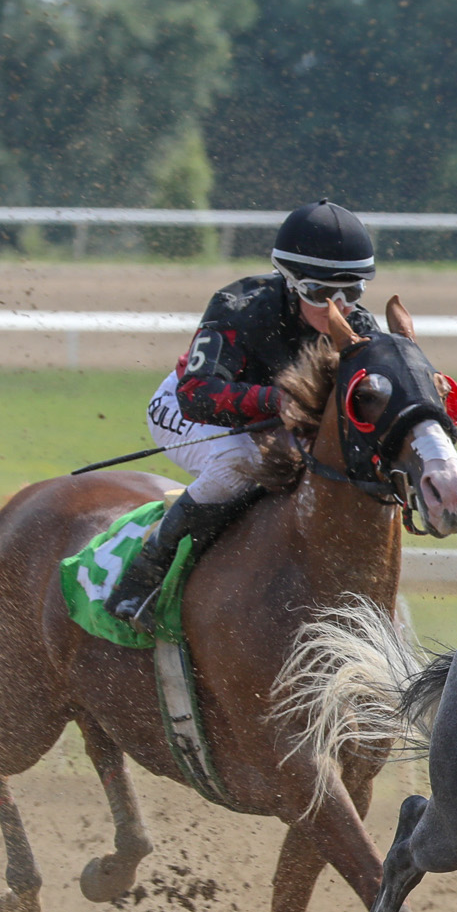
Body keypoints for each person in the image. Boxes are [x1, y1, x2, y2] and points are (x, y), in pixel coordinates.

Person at [107, 199, 379, 634]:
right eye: (322, 294)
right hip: (188, 410)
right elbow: (197, 394)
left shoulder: (357, 325)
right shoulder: (238, 306)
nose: (339, 309)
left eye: (353, 292)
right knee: (237, 464)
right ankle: (145, 574)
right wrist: (274, 401)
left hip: (272, 421)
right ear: (290, 283)